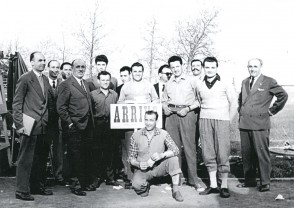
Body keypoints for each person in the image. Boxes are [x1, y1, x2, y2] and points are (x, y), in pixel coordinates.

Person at [238, 58, 288, 192]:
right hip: (245, 123)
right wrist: (240, 112)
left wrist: (272, 111)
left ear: (261, 67)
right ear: (247, 67)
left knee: (262, 153)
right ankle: (249, 181)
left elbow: (283, 95)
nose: (252, 69)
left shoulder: (269, 81)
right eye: (250, 66)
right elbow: (240, 100)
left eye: (255, 66)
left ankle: (265, 182)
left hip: (260, 123)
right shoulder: (244, 81)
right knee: (247, 154)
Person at [13, 52, 53, 201]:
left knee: (40, 159)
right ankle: (21, 190)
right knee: (25, 159)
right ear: (31, 62)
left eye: (44, 60)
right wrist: (19, 125)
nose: (43, 63)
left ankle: (36, 187)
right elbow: (17, 103)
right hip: (29, 125)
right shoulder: (25, 79)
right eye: (39, 60)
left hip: (42, 126)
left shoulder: (45, 79)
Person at [162, 56, 206, 192]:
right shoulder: (168, 83)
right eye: (172, 67)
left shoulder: (192, 81)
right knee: (174, 149)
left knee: (189, 147)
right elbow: (163, 100)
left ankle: (194, 180)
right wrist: (165, 107)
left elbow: (200, 100)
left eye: (177, 66)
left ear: (182, 66)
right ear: (170, 68)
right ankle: (176, 180)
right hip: (171, 115)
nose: (175, 69)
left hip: (186, 114)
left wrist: (187, 109)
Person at [196, 57, 237, 198]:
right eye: (207, 67)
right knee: (208, 152)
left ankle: (224, 186)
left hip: (222, 121)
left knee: (223, 153)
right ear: (203, 68)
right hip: (205, 119)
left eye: (213, 67)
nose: (210, 70)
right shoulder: (199, 84)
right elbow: (200, 102)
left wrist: (228, 121)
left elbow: (234, 103)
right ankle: (213, 185)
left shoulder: (225, 83)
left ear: (217, 68)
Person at [57, 59, 95, 196]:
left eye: (83, 67)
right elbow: (61, 108)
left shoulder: (86, 83)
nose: (80, 69)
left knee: (85, 155)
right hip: (74, 127)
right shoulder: (66, 85)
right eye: (78, 67)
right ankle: (75, 185)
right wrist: (70, 123)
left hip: (87, 126)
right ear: (72, 68)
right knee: (74, 156)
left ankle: (83, 183)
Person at [118, 62, 159, 188]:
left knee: (145, 148)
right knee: (130, 149)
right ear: (131, 72)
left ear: (143, 72)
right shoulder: (126, 86)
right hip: (130, 123)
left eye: (139, 71)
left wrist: (148, 104)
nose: (137, 73)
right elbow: (119, 102)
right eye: (135, 71)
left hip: (145, 123)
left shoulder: (149, 85)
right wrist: (129, 103)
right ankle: (130, 177)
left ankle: (145, 177)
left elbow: (156, 100)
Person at [129, 110, 184, 202]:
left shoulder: (163, 133)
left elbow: (175, 149)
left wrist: (162, 155)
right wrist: (138, 164)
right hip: (143, 170)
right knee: (138, 188)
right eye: (146, 120)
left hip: (159, 167)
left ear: (156, 121)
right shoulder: (136, 135)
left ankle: (175, 190)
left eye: (151, 120)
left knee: (174, 159)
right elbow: (131, 158)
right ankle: (146, 185)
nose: (148, 123)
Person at [90, 71, 119, 187]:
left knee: (110, 152)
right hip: (97, 125)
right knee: (97, 152)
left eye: (107, 80)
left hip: (111, 125)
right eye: (103, 80)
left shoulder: (114, 94)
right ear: (98, 81)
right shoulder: (92, 94)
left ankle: (110, 178)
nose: (105, 82)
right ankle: (97, 177)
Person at [46, 60, 67, 186]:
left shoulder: (63, 84)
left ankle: (58, 175)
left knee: (58, 149)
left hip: (59, 122)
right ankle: (42, 175)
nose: (55, 70)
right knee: (43, 148)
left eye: (57, 67)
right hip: (46, 120)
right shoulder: (42, 82)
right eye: (53, 67)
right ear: (48, 68)